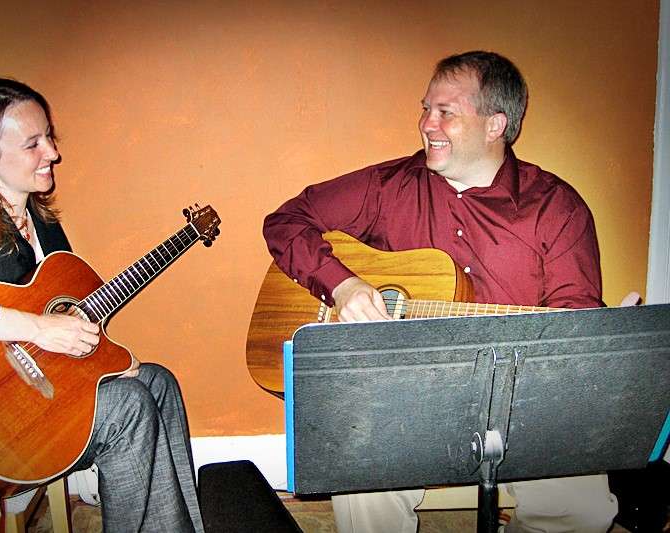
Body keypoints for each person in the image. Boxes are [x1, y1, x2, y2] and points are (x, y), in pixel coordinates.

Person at [263, 51, 618, 532]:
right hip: (405, 393)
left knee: (582, 508)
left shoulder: (556, 208)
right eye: (425, 108)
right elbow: (286, 221)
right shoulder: (390, 186)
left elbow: (574, 319)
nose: (427, 123)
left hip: (520, 400)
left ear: (496, 124)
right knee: (363, 486)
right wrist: (341, 286)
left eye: (446, 112)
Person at [0, 77, 204, 532]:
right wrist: (36, 328)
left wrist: (105, 359)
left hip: (46, 400)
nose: (53, 153)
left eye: (50, 137)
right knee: (131, 407)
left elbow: (67, 324)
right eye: (33, 143)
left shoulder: (42, 224)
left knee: (157, 382)